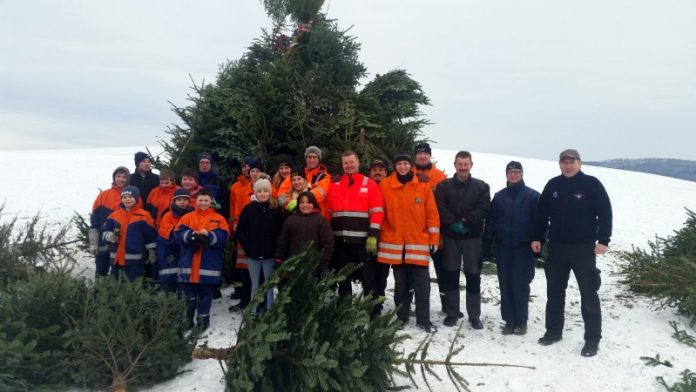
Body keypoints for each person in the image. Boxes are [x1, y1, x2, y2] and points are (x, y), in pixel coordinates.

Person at [531, 149, 612, 357]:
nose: (568, 166)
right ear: (559, 164)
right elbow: (542, 214)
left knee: (588, 293)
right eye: (564, 162)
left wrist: (603, 240)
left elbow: (605, 212)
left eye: (572, 162)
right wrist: (537, 238)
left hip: (583, 248)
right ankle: (553, 331)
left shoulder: (591, 184)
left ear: (579, 163)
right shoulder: (553, 185)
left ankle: (592, 340)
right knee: (555, 292)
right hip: (557, 247)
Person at [377, 153, 440, 332]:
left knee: (422, 285)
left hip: (418, 244)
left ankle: (423, 319)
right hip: (396, 245)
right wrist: (380, 235)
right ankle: (402, 317)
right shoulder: (385, 185)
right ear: (395, 166)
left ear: (410, 165)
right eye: (399, 164)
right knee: (400, 285)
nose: (402, 167)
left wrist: (434, 238)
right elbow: (380, 213)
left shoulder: (422, 185)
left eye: (405, 163)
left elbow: (432, 214)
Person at [434, 151, 490, 329]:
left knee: (473, 276)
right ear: (455, 165)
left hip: (472, 237)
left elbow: (483, 207)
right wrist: (452, 223)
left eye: (466, 164)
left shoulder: (482, 186)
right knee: (450, 274)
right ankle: (452, 313)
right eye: (460, 164)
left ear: (471, 165)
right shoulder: (444, 186)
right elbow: (440, 207)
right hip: (451, 237)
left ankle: (474, 315)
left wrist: (467, 221)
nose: (463, 167)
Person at [483, 161, 540, 335]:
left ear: (522, 174)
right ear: (506, 175)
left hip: (523, 248)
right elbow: (491, 221)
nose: (513, 175)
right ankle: (509, 320)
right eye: (510, 172)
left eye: (516, 172)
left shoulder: (533, 196)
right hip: (503, 247)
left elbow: (540, 222)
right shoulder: (500, 196)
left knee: (520, 284)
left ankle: (521, 321)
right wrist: (487, 243)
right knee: (506, 283)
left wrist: (537, 241)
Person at [325, 150, 384, 296]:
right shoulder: (335, 184)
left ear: (358, 162)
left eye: (351, 162)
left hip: (362, 242)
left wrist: (373, 235)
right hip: (340, 243)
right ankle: (345, 312)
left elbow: (377, 211)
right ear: (342, 165)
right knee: (343, 279)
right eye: (345, 163)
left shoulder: (369, 184)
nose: (349, 165)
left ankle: (372, 312)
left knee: (368, 278)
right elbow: (327, 212)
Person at [175, 188, 230, 330]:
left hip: (208, 265)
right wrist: (190, 236)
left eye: (206, 200)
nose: (203, 203)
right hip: (189, 264)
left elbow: (224, 236)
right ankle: (188, 319)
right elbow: (178, 233)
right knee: (189, 296)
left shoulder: (219, 218)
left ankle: (203, 321)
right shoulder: (187, 217)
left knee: (206, 295)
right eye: (201, 200)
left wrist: (210, 236)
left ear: (211, 201)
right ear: (196, 201)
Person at [236, 178, 285, 315]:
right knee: (255, 284)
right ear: (255, 193)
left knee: (269, 284)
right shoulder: (248, 209)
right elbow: (241, 231)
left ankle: (269, 310)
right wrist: (248, 248)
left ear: (269, 192)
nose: (262, 194)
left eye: (265, 191)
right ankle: (254, 311)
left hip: (270, 254)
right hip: (253, 255)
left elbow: (281, 232)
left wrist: (277, 249)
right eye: (259, 191)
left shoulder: (276, 209)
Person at [412, 142, 450, 314]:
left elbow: (447, 203)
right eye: (419, 153)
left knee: (443, 271)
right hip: (416, 234)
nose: (422, 156)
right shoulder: (407, 174)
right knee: (416, 272)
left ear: (430, 155)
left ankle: (447, 304)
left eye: (425, 154)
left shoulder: (439, 176)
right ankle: (409, 303)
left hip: (437, 234)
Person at [101, 185, 157, 282]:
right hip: (116, 260)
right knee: (116, 287)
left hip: (135, 261)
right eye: (125, 197)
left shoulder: (144, 216)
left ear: (136, 198)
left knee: (133, 287)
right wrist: (109, 236)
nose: (127, 199)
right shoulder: (114, 215)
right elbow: (104, 231)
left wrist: (152, 251)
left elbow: (150, 236)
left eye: (130, 197)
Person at [275, 191, 334, 278]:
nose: (305, 205)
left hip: (314, 266)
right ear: (298, 204)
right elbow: (283, 241)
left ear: (313, 204)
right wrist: (279, 259)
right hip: (293, 265)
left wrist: (324, 263)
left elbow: (328, 243)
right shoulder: (290, 220)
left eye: (308, 202)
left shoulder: (321, 220)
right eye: (302, 202)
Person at [89, 166, 131, 277]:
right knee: (101, 271)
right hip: (103, 242)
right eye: (118, 176)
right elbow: (94, 221)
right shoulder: (103, 195)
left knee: (118, 274)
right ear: (114, 177)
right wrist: (93, 243)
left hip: (122, 243)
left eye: (124, 176)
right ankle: (99, 293)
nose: (121, 179)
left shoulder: (132, 196)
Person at [156, 188, 193, 293]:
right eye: (179, 199)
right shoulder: (167, 216)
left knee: (185, 281)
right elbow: (167, 236)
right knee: (168, 281)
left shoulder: (192, 215)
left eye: (185, 200)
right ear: (174, 201)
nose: (182, 202)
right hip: (169, 252)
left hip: (186, 252)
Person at [367, 158, 392, 314]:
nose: (377, 172)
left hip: (386, 238)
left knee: (382, 273)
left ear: (386, 172)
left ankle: (379, 301)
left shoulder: (390, 187)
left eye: (381, 169)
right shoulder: (365, 187)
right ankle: (370, 302)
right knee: (368, 272)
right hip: (368, 236)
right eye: (374, 169)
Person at [196, 152, 229, 218]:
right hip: (196, 216)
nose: (205, 165)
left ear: (211, 164)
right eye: (202, 162)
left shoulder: (219, 180)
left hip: (214, 216)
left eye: (207, 162)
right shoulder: (193, 179)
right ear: (198, 164)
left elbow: (225, 201)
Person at [303, 146, 331, 215]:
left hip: (318, 216)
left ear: (319, 159)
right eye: (309, 157)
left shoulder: (325, 176)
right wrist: (289, 205)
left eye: (315, 157)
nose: (312, 160)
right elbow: (282, 193)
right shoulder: (297, 173)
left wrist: (299, 200)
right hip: (298, 215)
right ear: (306, 158)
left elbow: (319, 194)